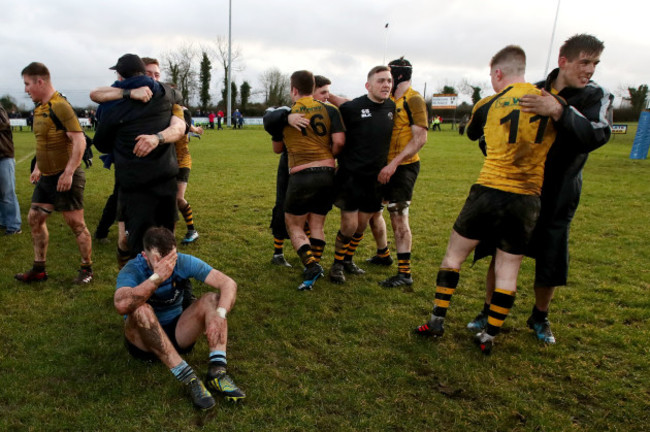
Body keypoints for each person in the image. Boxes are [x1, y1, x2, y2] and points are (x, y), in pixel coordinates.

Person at [468, 34, 614, 345]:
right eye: (584, 62)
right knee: (502, 250)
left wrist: (559, 111)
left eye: (595, 63)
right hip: (516, 189)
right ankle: (488, 310)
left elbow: (597, 135)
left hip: (558, 193)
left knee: (550, 256)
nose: (590, 69)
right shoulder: (530, 90)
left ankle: (540, 315)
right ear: (563, 61)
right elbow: (495, 130)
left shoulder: (595, 96)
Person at [413, 45, 558, 354]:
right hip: (527, 198)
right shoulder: (553, 103)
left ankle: (437, 319)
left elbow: (472, 132)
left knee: (454, 257)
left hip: (489, 189)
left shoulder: (490, 102)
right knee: (509, 269)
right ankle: (489, 336)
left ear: (497, 73)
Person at [114, 226, 245, 410]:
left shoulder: (182, 262)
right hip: (143, 343)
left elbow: (228, 283)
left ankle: (217, 372)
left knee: (213, 300)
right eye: (160, 261)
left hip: (177, 333)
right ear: (145, 256)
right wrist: (157, 278)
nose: (169, 265)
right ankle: (189, 378)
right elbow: (121, 304)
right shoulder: (133, 269)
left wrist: (220, 315)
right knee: (140, 309)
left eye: (172, 258)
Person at [93, 54, 185, 257]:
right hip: (165, 177)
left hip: (135, 182)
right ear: (143, 72)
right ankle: (167, 283)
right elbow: (177, 96)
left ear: (119, 75)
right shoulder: (163, 93)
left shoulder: (113, 106)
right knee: (167, 239)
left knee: (139, 245)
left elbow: (101, 143)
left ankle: (138, 285)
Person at [15, 62, 93, 284]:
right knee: (35, 217)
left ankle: (87, 269)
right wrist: (39, 167)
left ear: (40, 81)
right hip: (47, 177)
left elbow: (79, 140)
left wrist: (68, 172)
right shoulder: (40, 108)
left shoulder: (60, 106)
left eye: (27, 84)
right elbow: (44, 143)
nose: (26, 89)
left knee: (75, 223)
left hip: (65, 175)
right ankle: (39, 269)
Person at [267, 70, 345, 290]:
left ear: (293, 89)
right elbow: (339, 141)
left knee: (294, 225)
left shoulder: (287, 114)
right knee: (318, 224)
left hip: (301, 174)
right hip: (328, 172)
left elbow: (277, 149)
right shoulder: (330, 109)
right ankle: (315, 264)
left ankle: (311, 265)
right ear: (313, 87)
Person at [325, 66, 395, 284]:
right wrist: (327, 95)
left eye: (389, 81)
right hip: (351, 175)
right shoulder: (354, 107)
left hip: (376, 179)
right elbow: (340, 103)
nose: (386, 85)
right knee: (349, 225)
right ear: (368, 85)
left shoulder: (392, 106)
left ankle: (347, 259)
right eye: (381, 81)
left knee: (362, 225)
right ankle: (336, 265)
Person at [370, 57, 428, 288]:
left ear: (399, 76)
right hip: (385, 165)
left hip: (403, 167)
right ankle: (383, 254)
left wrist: (393, 164)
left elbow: (420, 138)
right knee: (373, 211)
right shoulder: (392, 100)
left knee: (398, 216)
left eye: (389, 77)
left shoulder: (414, 100)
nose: (386, 83)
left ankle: (405, 274)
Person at [0, 104, 22, 235]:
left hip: (4, 156)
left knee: (7, 193)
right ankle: (3, 221)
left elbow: (4, 124)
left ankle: (14, 226)